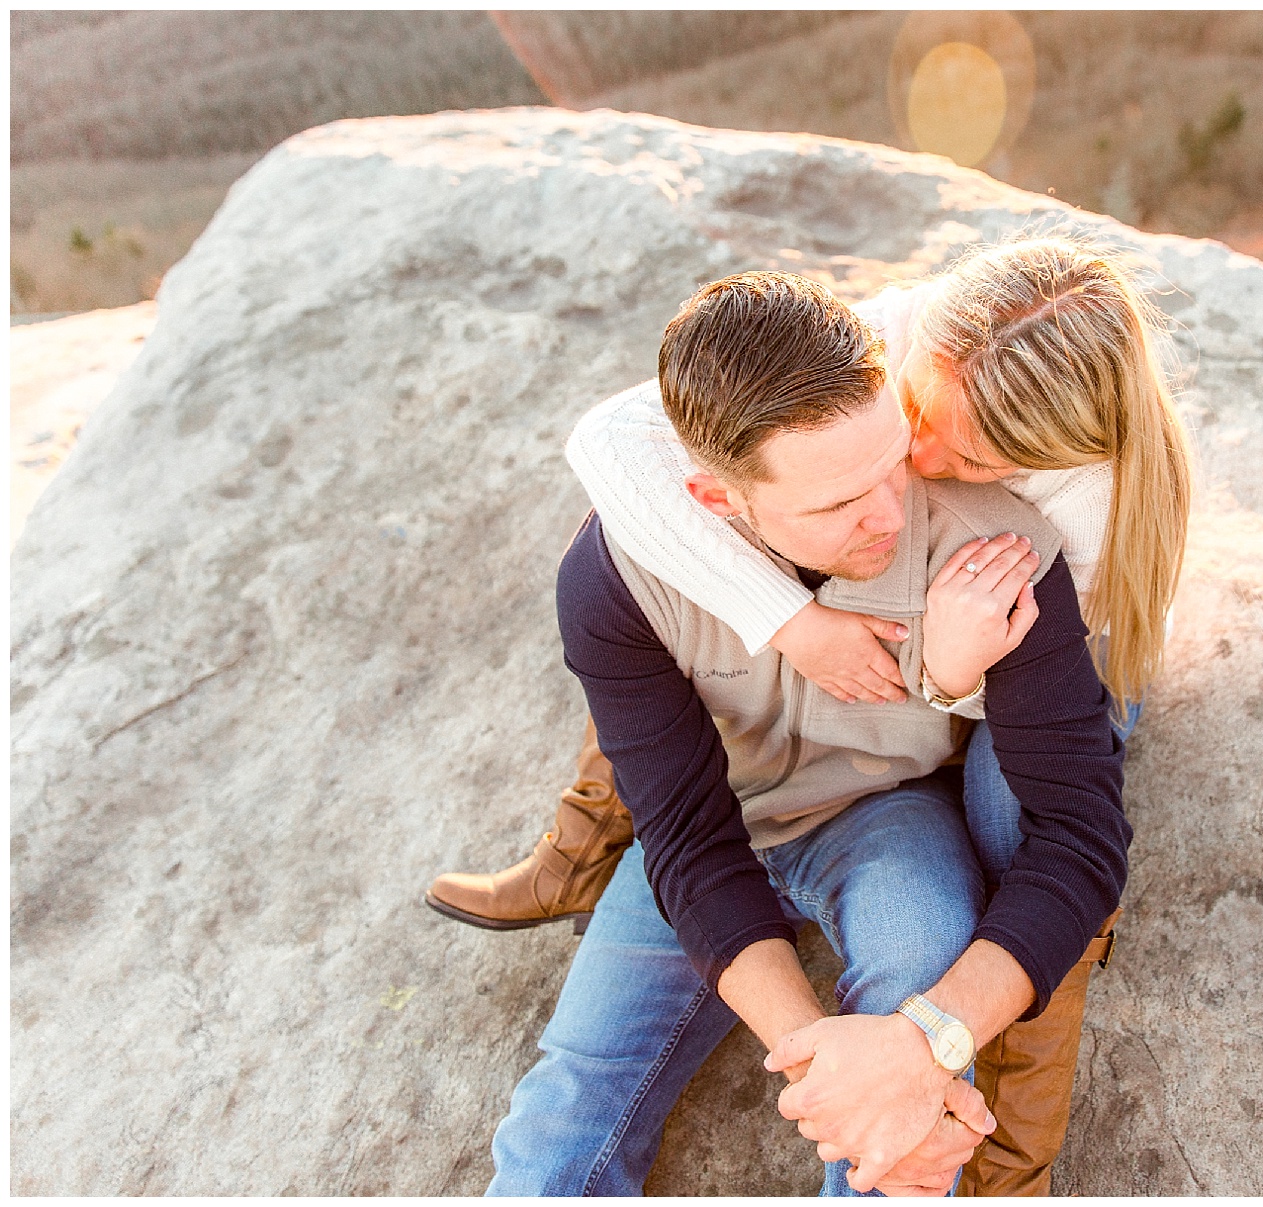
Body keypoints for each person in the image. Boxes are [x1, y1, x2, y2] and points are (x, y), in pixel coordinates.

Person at [432, 236, 1194, 1192]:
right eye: (841, 498)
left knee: (945, 934)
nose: (898, 498)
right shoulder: (616, 577)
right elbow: (688, 841)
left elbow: (1076, 835)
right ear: (713, 500)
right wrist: (842, 1076)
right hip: (727, 823)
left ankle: (1004, 1126)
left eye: (895, 460)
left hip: (890, 823)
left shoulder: (1012, 550)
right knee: (570, 1096)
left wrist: (923, 1046)